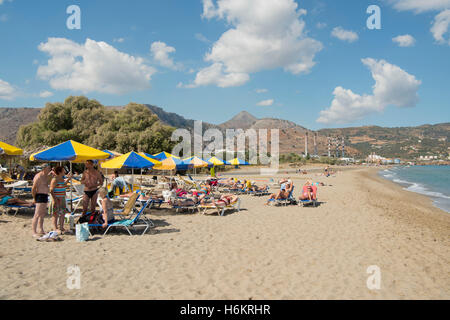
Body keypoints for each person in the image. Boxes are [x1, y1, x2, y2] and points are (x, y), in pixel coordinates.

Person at [31, 164, 52, 238]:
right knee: (37, 214)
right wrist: (34, 198)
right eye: (48, 168)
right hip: (39, 195)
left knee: (42, 214)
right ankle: (34, 231)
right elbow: (33, 188)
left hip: (45, 195)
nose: (50, 169)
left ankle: (41, 229)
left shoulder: (46, 176)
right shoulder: (38, 176)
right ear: (44, 169)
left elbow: (48, 184)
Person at [50, 166, 72, 233]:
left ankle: (61, 227)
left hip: (62, 198)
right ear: (59, 172)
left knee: (62, 213)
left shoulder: (61, 179)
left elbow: (64, 186)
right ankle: (55, 228)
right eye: (63, 170)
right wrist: (55, 199)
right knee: (55, 214)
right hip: (56, 198)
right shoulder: (55, 179)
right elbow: (51, 190)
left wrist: (68, 179)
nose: (64, 172)